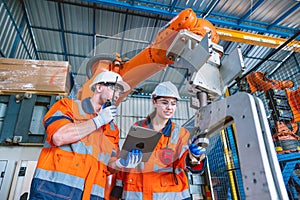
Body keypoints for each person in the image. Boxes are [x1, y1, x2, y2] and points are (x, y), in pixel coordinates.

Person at [29, 71, 142, 200]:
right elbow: (59, 136)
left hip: (93, 195)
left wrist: (121, 163)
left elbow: (109, 166)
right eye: (114, 88)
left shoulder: (112, 129)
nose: (117, 95)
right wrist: (98, 121)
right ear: (99, 87)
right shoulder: (68, 106)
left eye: (120, 92)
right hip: (53, 191)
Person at [111, 81, 207, 200]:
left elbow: (185, 162)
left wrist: (194, 157)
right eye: (165, 102)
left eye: (173, 104)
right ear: (154, 102)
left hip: (170, 195)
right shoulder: (139, 127)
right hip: (135, 193)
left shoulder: (181, 133)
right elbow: (125, 162)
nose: (169, 108)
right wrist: (117, 188)